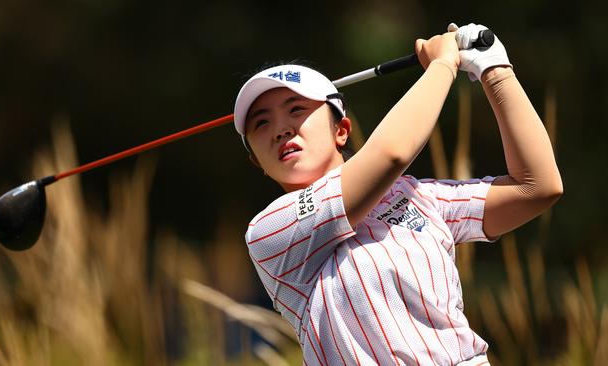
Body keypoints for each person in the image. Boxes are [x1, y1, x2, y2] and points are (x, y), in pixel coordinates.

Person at [232, 23, 562, 366]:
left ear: (341, 130)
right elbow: (392, 153)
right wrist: (442, 66)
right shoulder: (270, 231)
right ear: (257, 162)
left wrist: (494, 69)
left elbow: (536, 187)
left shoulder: (415, 195)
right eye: (261, 123)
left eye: (296, 109)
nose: (281, 129)